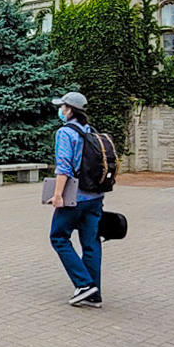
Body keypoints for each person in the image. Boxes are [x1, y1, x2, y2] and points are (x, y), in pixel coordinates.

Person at [49, 91, 104, 308]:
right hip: (95, 196)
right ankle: (94, 294)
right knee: (91, 243)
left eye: (62, 107)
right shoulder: (90, 131)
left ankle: (83, 284)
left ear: (70, 110)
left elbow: (63, 167)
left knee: (59, 237)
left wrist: (57, 195)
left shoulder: (65, 133)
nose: (60, 111)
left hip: (76, 196)